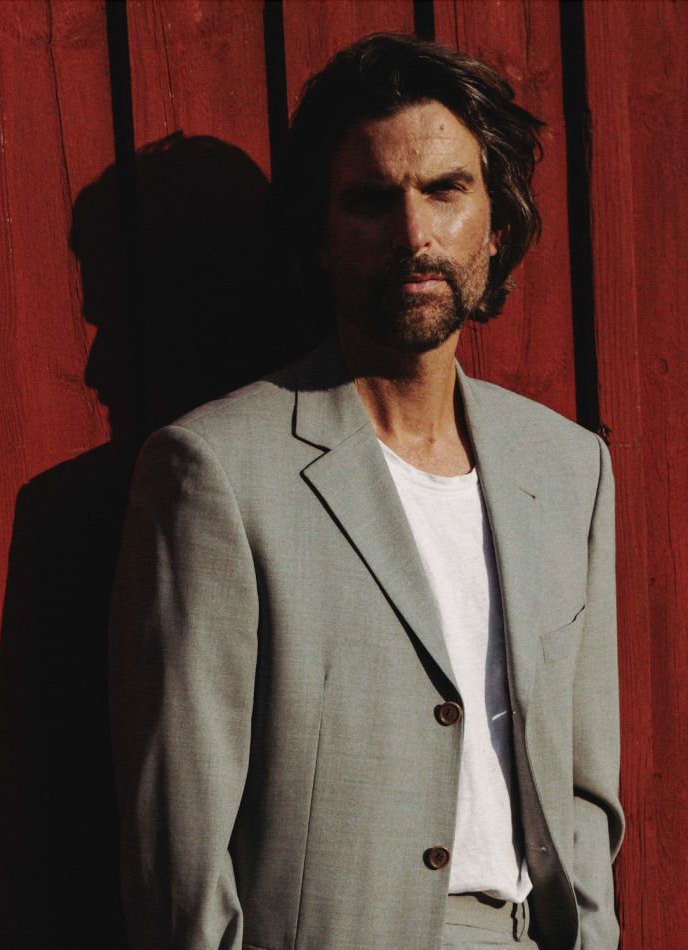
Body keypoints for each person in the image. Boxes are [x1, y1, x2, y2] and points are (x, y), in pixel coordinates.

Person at [108, 33, 624, 950]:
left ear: (496, 223)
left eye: (445, 190)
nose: (413, 235)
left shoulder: (566, 468)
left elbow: (583, 785)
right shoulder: (214, 471)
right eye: (370, 200)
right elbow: (180, 849)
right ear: (319, 236)